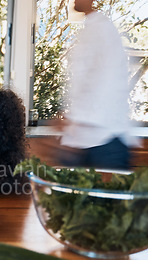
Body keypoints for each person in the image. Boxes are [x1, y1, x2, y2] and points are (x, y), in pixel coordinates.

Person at [58, 0, 139, 169]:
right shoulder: (90, 29)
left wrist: (75, 118)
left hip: (105, 141)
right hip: (86, 140)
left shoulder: (103, 29)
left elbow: (107, 83)